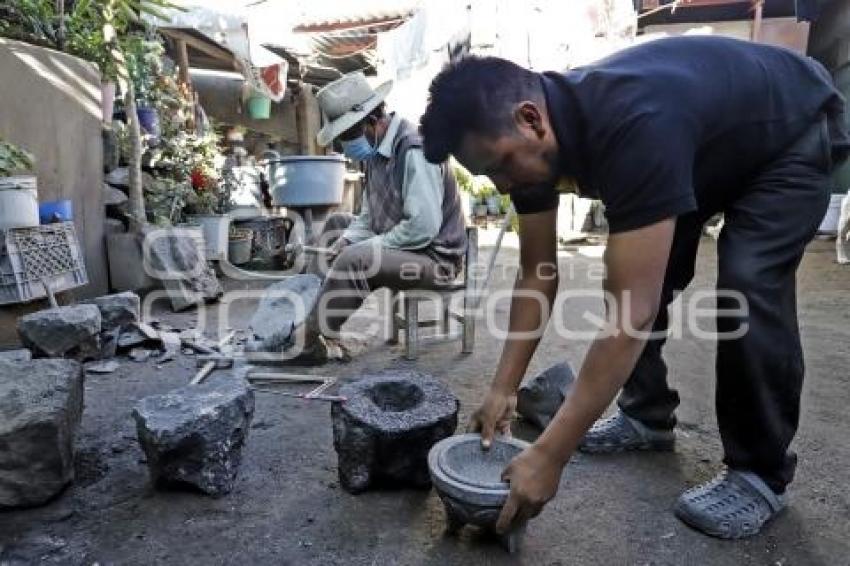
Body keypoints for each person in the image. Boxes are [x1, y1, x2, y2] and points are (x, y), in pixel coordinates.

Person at [419, 36, 849, 539]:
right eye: (488, 176)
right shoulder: (529, 149)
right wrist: (503, 387)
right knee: (639, 275)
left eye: (498, 167)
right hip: (704, 144)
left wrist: (550, 455)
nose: (503, 186)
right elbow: (537, 271)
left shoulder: (630, 122)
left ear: (531, 118)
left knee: (747, 283)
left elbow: (631, 316)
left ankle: (760, 474)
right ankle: (647, 415)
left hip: (789, 130)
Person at [297, 71, 467, 360]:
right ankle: (306, 308)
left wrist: (361, 248)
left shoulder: (414, 149)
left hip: (435, 259)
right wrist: (349, 239)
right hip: (409, 249)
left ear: (373, 120)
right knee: (337, 227)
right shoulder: (376, 152)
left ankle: (310, 338)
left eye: (349, 134)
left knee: (357, 259)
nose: (346, 145)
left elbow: (422, 228)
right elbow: (367, 216)